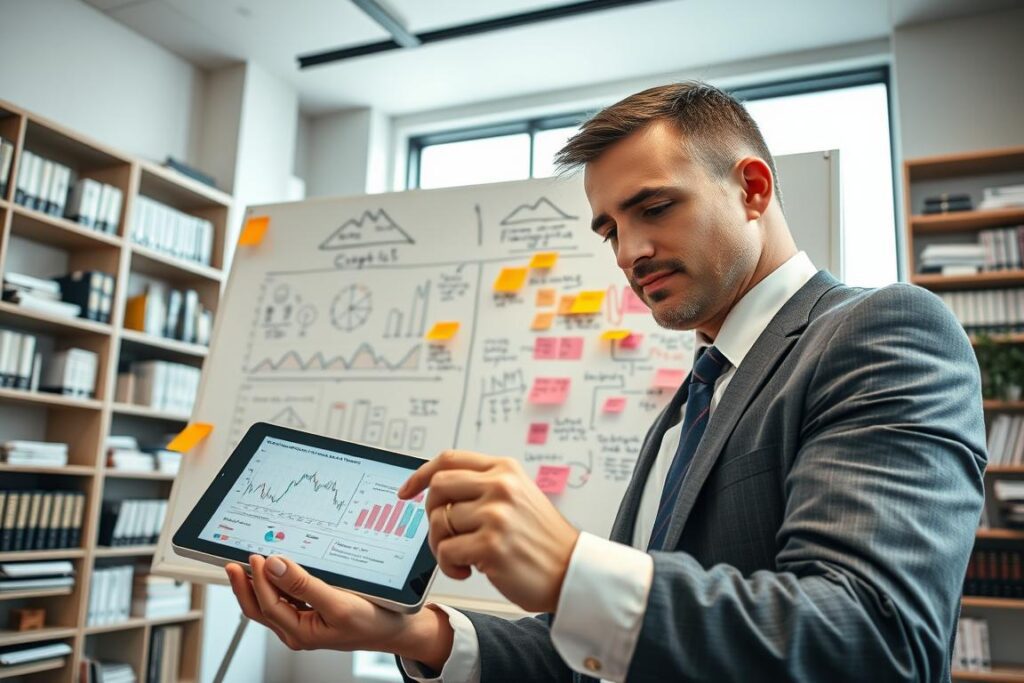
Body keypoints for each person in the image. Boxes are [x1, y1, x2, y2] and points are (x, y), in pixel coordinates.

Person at [226, 82, 987, 682]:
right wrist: (409, 630)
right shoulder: (694, 398)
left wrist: (567, 566)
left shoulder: (882, 330)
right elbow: (598, 656)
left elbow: (878, 641)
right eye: (609, 229)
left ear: (753, 188)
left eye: (654, 207)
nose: (630, 251)